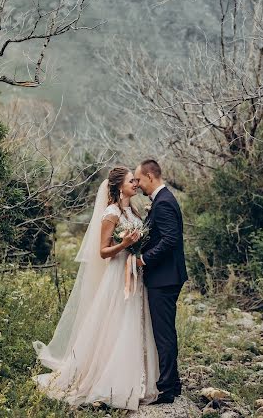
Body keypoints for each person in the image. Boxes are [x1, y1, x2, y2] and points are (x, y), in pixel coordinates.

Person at [33, 166, 159, 410]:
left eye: (136, 180)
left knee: (136, 323)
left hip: (134, 273)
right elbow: (103, 252)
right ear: (118, 186)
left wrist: (137, 246)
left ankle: (139, 380)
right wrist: (124, 244)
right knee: (118, 323)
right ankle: (112, 382)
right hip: (117, 275)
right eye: (131, 181)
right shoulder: (111, 213)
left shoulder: (132, 211)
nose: (135, 184)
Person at [135, 159, 188, 405]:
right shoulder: (162, 200)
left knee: (163, 334)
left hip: (164, 279)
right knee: (166, 332)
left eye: (139, 179)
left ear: (150, 176)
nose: (138, 184)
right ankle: (173, 383)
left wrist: (143, 259)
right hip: (166, 277)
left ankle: (167, 389)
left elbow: (170, 240)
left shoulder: (164, 202)